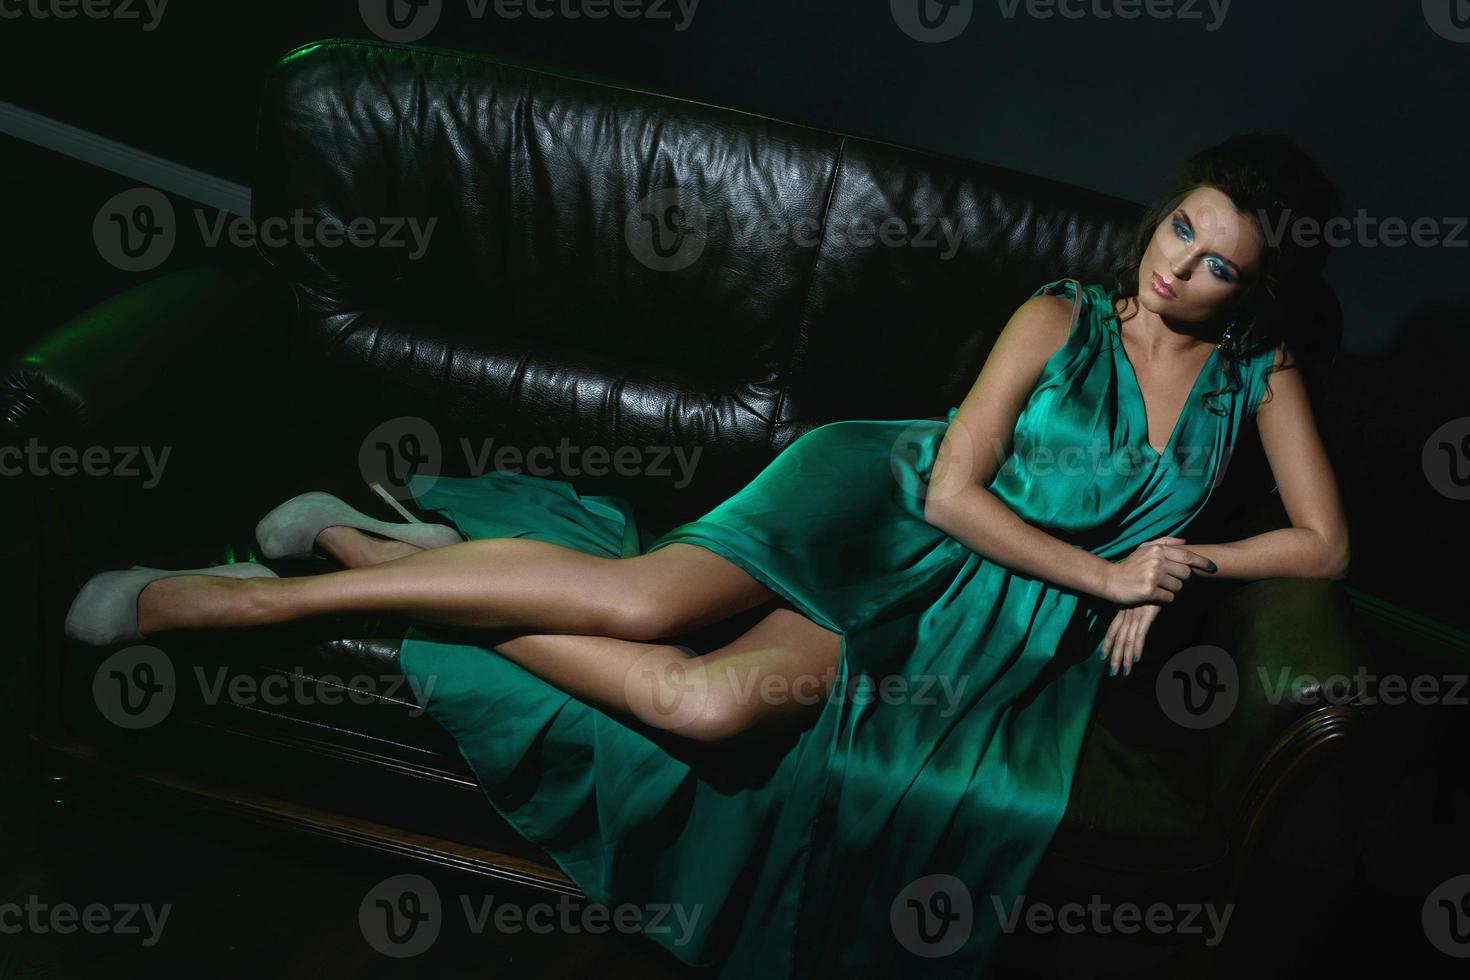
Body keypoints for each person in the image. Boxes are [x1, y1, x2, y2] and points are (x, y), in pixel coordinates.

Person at [64, 133, 1350, 976]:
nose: (1177, 264)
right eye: (1179, 225)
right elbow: (955, 491)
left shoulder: (1260, 377)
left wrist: (1183, 558)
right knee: (639, 606)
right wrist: (1109, 576)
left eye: (1218, 258)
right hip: (888, 507)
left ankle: (355, 539)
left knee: (707, 700)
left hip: (983, 630)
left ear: (1256, 286)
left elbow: (1321, 539)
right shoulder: (1062, 311)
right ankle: (234, 600)